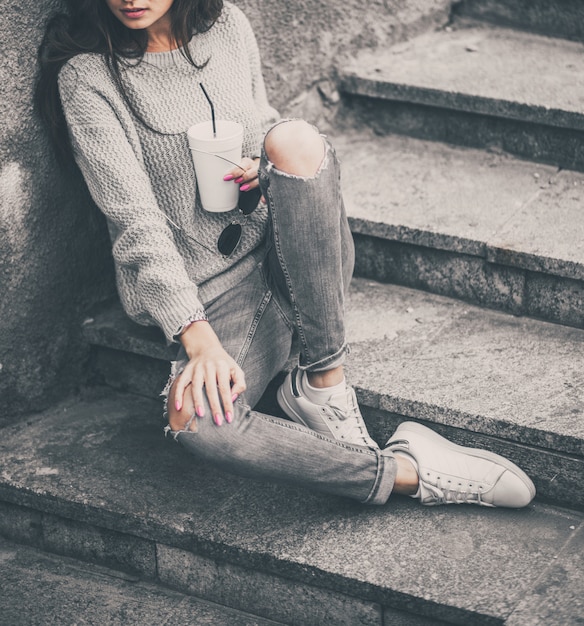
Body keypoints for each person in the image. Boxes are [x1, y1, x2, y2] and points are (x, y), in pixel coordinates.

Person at [37, 0, 536, 508]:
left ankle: (323, 382)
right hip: (212, 302)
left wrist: (262, 168)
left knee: (294, 138)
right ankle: (408, 470)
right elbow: (134, 222)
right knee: (194, 422)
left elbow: (267, 128)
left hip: (296, 257)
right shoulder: (88, 78)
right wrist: (199, 339)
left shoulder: (227, 26)